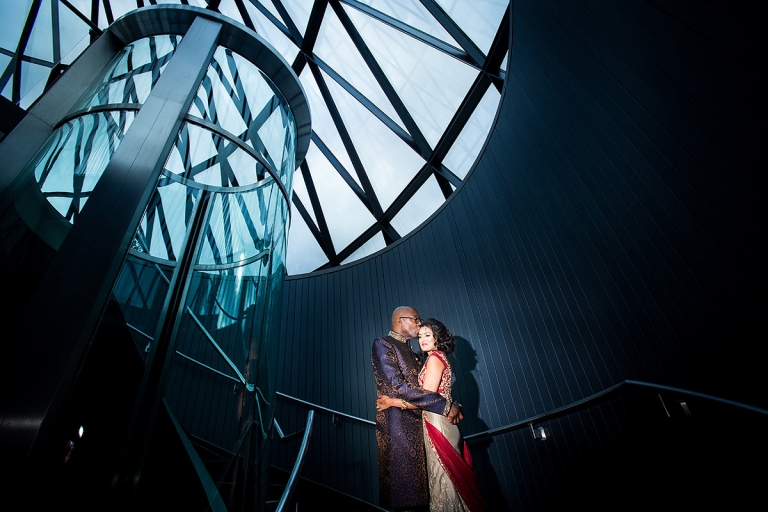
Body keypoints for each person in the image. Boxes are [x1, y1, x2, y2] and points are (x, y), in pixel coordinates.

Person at [377, 318, 485, 512]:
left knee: (445, 479)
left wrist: (391, 402)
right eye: (420, 336)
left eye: (428, 335)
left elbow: (426, 396)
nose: (423, 340)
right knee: (443, 478)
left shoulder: (435, 358)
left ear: (438, 337)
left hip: (438, 423)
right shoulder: (430, 358)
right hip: (432, 421)